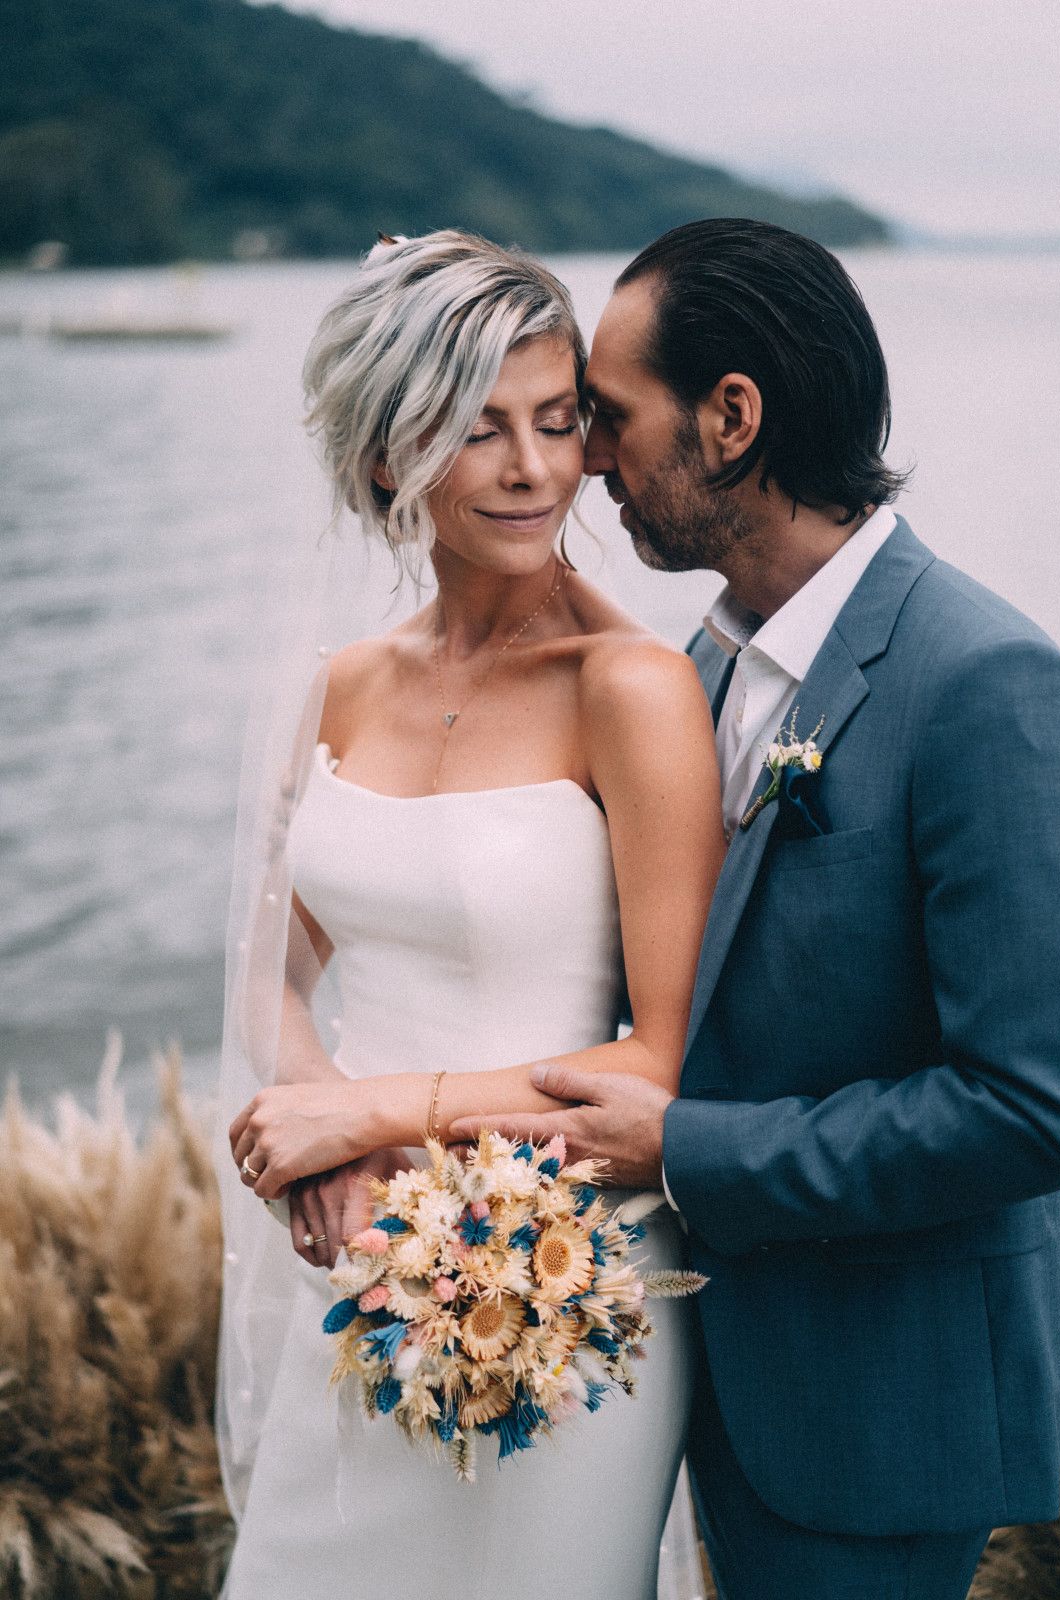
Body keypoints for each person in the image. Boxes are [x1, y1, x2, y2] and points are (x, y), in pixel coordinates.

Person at [459, 218, 1060, 1600]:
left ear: (731, 417)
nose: (587, 461)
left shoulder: (985, 683)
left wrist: (685, 1150)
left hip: (878, 1401)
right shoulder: (702, 668)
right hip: (697, 1366)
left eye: (609, 418)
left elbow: (1033, 1106)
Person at [216, 230, 723, 1600]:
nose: (531, 470)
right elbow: (271, 960)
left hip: (561, 1283)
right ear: (389, 452)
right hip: (365, 1276)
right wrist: (319, 1126)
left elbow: (665, 1061)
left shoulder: (632, 689)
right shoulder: (345, 687)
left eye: (557, 424)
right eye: (475, 428)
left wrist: (371, 1116)